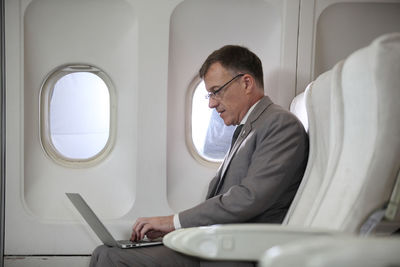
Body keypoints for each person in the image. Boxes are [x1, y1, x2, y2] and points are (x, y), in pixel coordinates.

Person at [90, 45, 309, 267]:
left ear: (246, 83)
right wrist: (178, 230)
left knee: (112, 258)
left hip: (236, 252)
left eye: (216, 91)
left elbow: (248, 198)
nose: (211, 103)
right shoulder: (247, 128)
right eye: (209, 94)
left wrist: (174, 223)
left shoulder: (280, 125)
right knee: (105, 251)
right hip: (216, 243)